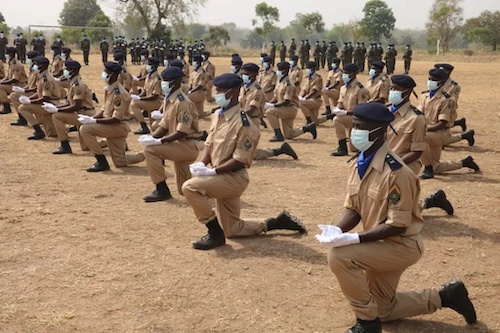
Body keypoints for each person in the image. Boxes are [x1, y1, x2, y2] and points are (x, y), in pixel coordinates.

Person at [317, 102, 477, 333]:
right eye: (354, 126)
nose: (355, 132)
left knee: (340, 257)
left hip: (400, 245)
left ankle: (367, 323)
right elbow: (354, 209)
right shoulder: (359, 164)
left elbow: (398, 225)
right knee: (384, 309)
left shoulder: (398, 173)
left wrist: (353, 240)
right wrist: (336, 230)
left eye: (361, 127)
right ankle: (446, 296)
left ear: (380, 131)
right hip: (377, 244)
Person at [182, 73, 306, 250]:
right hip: (220, 176)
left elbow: (241, 160)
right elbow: (209, 144)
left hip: (233, 177)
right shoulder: (218, 115)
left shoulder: (245, 124)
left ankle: (215, 234)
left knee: (190, 187)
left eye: (220, 91)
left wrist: (212, 172)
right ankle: (275, 222)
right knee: (232, 229)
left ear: (232, 92)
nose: (217, 94)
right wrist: (202, 163)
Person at [387, 74, 455, 215]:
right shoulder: (385, 112)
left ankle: (425, 203)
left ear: (407, 92)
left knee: (394, 208)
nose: (392, 91)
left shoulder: (416, 118)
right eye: (392, 88)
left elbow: (417, 152)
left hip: (406, 163)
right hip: (386, 161)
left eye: (396, 89)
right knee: (382, 201)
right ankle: (433, 201)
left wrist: (394, 164)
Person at [139, 66, 200, 202]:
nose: (163, 84)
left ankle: (162, 189)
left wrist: (159, 142)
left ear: (175, 82)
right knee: (185, 189)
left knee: (150, 151)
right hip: (178, 145)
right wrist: (152, 137)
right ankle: (204, 187)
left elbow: (182, 132)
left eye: (166, 81)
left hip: (186, 145)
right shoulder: (170, 99)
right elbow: (165, 125)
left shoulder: (182, 102)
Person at [78, 61, 145, 172]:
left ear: (113, 74)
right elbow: (105, 110)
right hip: (112, 127)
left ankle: (101, 162)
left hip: (117, 127)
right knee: (120, 162)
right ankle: (146, 154)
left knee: (85, 129)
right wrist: (93, 118)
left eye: (106, 72)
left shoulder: (119, 93)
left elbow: (116, 118)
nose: (104, 74)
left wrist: (94, 122)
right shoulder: (111, 89)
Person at [418, 69, 479, 179]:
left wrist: (426, 129)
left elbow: (442, 123)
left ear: (441, 82)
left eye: (433, 80)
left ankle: (427, 168)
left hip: (441, 133)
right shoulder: (424, 96)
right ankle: (464, 163)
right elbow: (418, 114)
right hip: (431, 134)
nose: (430, 82)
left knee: (420, 138)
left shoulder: (446, 100)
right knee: (436, 167)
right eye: (429, 79)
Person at [45, 60, 96, 154]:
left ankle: (65, 145)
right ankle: (109, 144)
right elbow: (70, 102)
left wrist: (57, 109)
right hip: (81, 114)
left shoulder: (78, 85)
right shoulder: (72, 83)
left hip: (85, 114)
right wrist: (57, 107)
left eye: (66, 69)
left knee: (57, 116)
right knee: (86, 147)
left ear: (72, 71)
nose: (64, 71)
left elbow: (76, 105)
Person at [265, 61, 317, 142]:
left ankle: (278, 135)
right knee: (289, 135)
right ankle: (308, 128)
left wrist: (273, 106)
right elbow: (276, 97)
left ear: (285, 71)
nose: (278, 71)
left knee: (270, 112)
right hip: (283, 109)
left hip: (289, 109)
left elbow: (287, 101)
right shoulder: (280, 81)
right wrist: (268, 103)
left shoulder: (288, 84)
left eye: (280, 69)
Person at [17, 56, 65, 139]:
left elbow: (46, 97)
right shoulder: (42, 76)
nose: (34, 65)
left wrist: (30, 102)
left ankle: (38, 131)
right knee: (52, 133)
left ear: (42, 66)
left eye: (36, 64)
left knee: (22, 108)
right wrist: (30, 98)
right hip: (47, 103)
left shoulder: (46, 79)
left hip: (51, 104)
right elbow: (39, 92)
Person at [331, 63, 369, 156]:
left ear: (354, 74)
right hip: (348, 117)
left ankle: (342, 147)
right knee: (354, 149)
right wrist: (338, 109)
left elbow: (362, 109)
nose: (344, 75)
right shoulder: (343, 87)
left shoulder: (360, 89)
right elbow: (340, 101)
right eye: (344, 72)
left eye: (346, 73)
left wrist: (345, 112)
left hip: (358, 119)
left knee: (337, 120)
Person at [130, 57, 164, 134]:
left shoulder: (157, 79)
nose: (146, 66)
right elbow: (145, 90)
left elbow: (155, 96)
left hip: (157, 102)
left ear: (154, 66)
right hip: (150, 101)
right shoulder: (148, 76)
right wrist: (139, 97)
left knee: (134, 104)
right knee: (153, 127)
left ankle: (144, 127)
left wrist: (141, 99)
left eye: (148, 64)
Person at [8, 50, 40, 125]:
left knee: (14, 96)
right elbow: (30, 83)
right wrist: (24, 89)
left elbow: (38, 87)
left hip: (35, 94)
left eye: (28, 58)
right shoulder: (32, 69)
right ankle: (21, 118)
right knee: (14, 95)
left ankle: (25, 119)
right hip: (29, 91)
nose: (27, 59)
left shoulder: (37, 71)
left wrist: (24, 90)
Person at [0, 47, 28, 115]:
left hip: (20, 86)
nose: (5, 54)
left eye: (6, 53)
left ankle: (7, 107)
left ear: (11, 54)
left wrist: (1, 83)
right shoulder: (11, 63)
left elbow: (14, 79)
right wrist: (1, 81)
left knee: (0, 87)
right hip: (14, 85)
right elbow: (7, 77)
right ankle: (6, 106)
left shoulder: (16, 64)